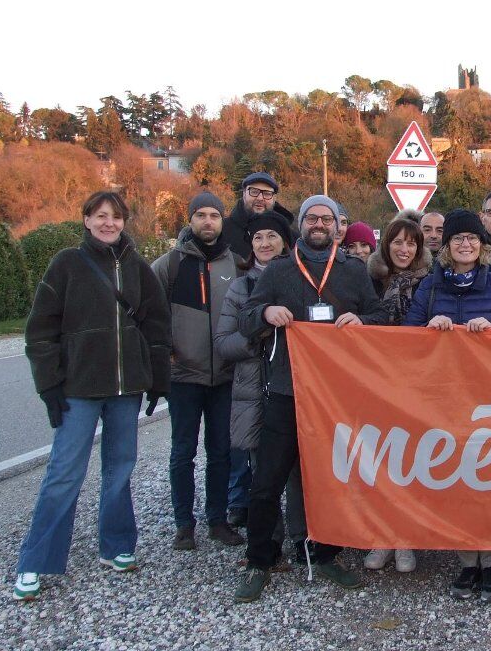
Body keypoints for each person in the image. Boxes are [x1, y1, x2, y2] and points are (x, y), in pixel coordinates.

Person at [14, 190, 170, 601]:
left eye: (116, 217)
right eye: (100, 216)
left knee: (120, 469)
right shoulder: (66, 264)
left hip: (125, 391)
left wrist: (157, 380)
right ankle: (36, 560)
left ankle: (116, 544)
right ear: (86, 219)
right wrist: (49, 384)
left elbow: (157, 326)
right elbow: (40, 331)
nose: (108, 223)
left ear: (124, 222)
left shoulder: (137, 268)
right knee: (65, 473)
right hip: (79, 390)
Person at [234, 195, 391, 603]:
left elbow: (380, 318)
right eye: (311, 218)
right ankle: (259, 560)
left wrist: (363, 321)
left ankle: (325, 555)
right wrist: (266, 313)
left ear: (338, 225)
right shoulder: (279, 270)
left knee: (329, 479)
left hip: (336, 396)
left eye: (326, 218)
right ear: (301, 225)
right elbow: (247, 318)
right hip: (286, 390)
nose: (318, 224)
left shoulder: (353, 271)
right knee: (267, 481)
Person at [403, 208, 491, 604]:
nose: (465, 244)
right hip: (445, 398)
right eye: (458, 238)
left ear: (482, 245)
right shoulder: (430, 287)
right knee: (458, 478)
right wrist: (431, 329)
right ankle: (466, 559)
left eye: (472, 238)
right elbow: (405, 338)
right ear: (447, 246)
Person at [152, 193, 243, 552]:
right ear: (190, 219)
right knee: (182, 453)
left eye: (215, 216)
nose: (208, 222)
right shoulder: (168, 265)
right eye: (201, 215)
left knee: (221, 451)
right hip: (184, 376)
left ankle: (217, 520)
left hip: (223, 376)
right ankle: (183, 524)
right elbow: (151, 318)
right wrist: (165, 359)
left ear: (222, 221)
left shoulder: (236, 264)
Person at [214, 210, 305, 568]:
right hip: (254, 390)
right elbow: (224, 343)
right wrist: (262, 335)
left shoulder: (300, 278)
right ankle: (268, 544)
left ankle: (304, 540)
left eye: (272, 237)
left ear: (285, 242)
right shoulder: (240, 286)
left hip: (293, 387)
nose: (265, 244)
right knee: (262, 474)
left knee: (299, 473)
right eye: (257, 238)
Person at [362, 210, 432, 572]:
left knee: (408, 461)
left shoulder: (429, 282)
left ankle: (404, 538)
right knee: (378, 460)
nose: (404, 249)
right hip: (375, 380)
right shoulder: (369, 279)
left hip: (414, 381)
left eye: (411, 242)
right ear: (385, 245)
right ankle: (380, 535)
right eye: (397, 241)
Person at [223, 172, 295, 261]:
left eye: (267, 193)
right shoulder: (223, 231)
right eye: (254, 192)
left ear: (274, 198)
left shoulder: (290, 236)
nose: (260, 198)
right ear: (244, 194)